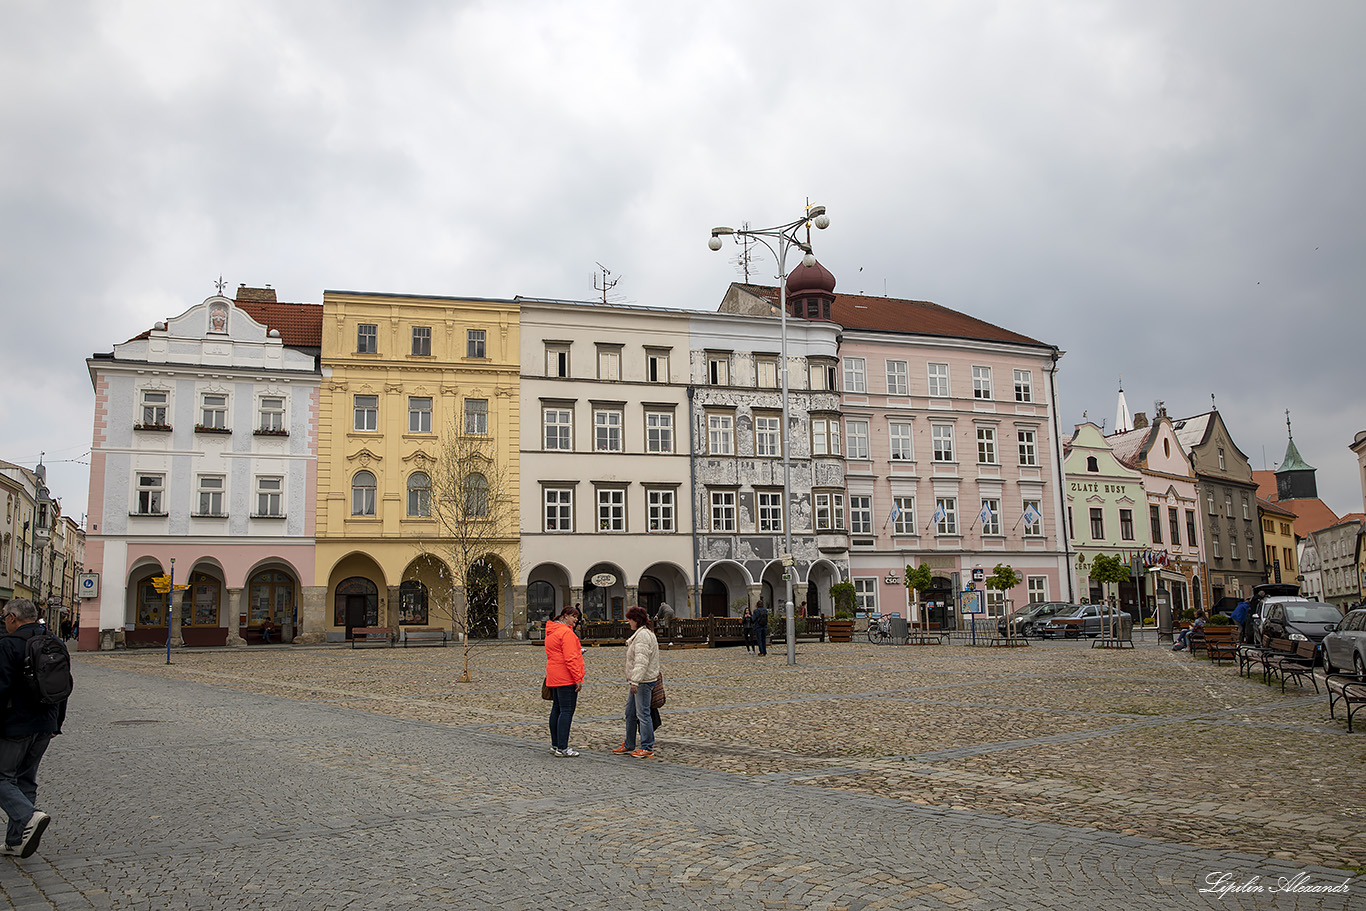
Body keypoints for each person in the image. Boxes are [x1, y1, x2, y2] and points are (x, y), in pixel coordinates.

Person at [0, 599, 68, 858]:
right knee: (25, 780)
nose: (4, 620)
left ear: (13, 618)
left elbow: (2, 687)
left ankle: (28, 816)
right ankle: (16, 841)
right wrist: (56, 723)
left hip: (15, 725)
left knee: (2, 777)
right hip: (45, 723)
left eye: (4, 616)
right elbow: (63, 685)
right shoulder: (54, 642)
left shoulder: (9, 645)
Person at [612, 606, 659, 759]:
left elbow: (641, 661)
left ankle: (647, 746)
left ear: (636, 620)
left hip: (643, 681)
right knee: (630, 713)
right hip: (638, 680)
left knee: (643, 714)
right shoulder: (641, 634)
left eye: (630, 620)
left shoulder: (643, 636)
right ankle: (629, 743)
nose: (629, 623)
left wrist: (636, 681)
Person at [544, 605, 585, 757]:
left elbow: (557, 653)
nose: (576, 620)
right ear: (565, 616)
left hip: (554, 675)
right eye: (574, 616)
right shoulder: (566, 633)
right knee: (566, 711)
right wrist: (577, 678)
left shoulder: (551, 631)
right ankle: (562, 747)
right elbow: (569, 658)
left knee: (557, 710)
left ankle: (555, 744)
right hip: (566, 676)